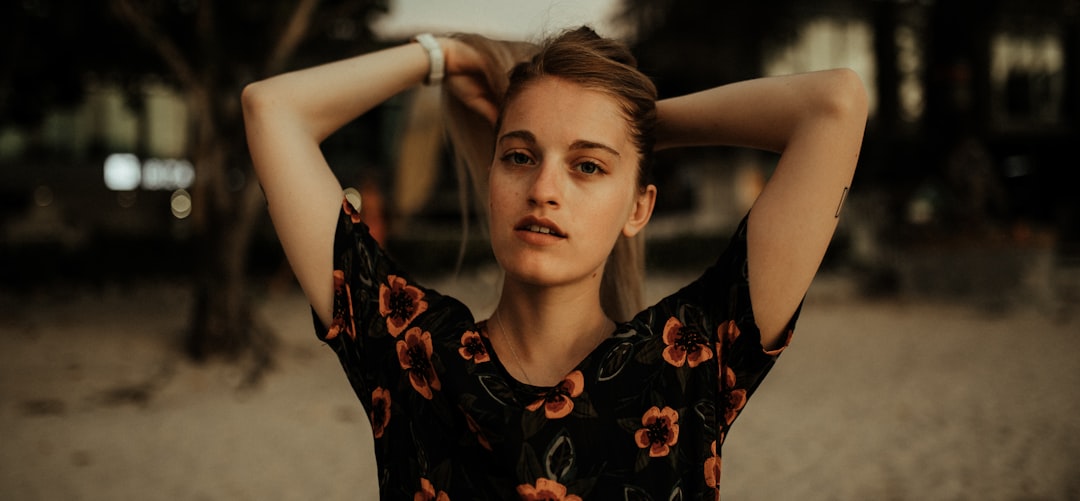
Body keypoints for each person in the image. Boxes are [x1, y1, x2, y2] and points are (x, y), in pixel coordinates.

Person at [242, 26, 866, 500]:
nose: (545, 187)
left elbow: (834, 105)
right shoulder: (411, 351)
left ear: (639, 208)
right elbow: (271, 110)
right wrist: (443, 55)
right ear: (490, 177)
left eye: (587, 166)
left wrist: (637, 132)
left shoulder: (690, 360)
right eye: (518, 156)